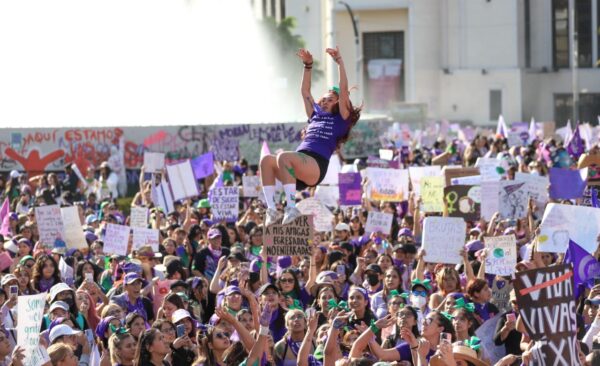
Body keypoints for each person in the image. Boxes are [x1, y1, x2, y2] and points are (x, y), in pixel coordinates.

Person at [260, 46, 361, 226]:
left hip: (316, 165)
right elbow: (305, 92)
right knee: (266, 160)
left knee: (283, 156)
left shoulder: (341, 118)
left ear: (338, 103)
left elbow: (344, 90)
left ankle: (291, 208)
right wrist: (308, 66)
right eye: (323, 99)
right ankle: (272, 210)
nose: (324, 101)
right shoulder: (314, 115)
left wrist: (340, 62)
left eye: (330, 99)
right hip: (297, 168)